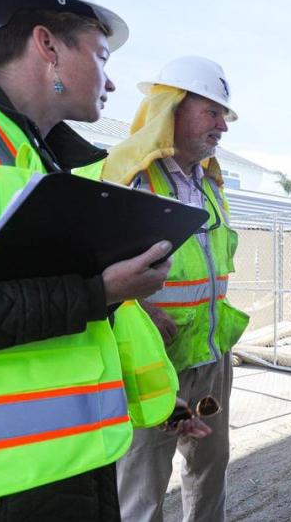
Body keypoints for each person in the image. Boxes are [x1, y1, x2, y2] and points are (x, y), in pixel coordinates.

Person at [0, 0, 172, 520]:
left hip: (70, 470)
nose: (112, 80)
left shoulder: (36, 157)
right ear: (48, 45)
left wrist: (108, 295)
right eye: (101, 56)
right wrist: (98, 292)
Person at [91, 56, 249, 522]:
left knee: (209, 467)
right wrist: (138, 310)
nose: (222, 126)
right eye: (212, 112)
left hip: (208, 357)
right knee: (142, 487)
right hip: (151, 363)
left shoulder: (210, 185)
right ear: (171, 110)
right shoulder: (128, 177)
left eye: (224, 116)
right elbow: (94, 269)